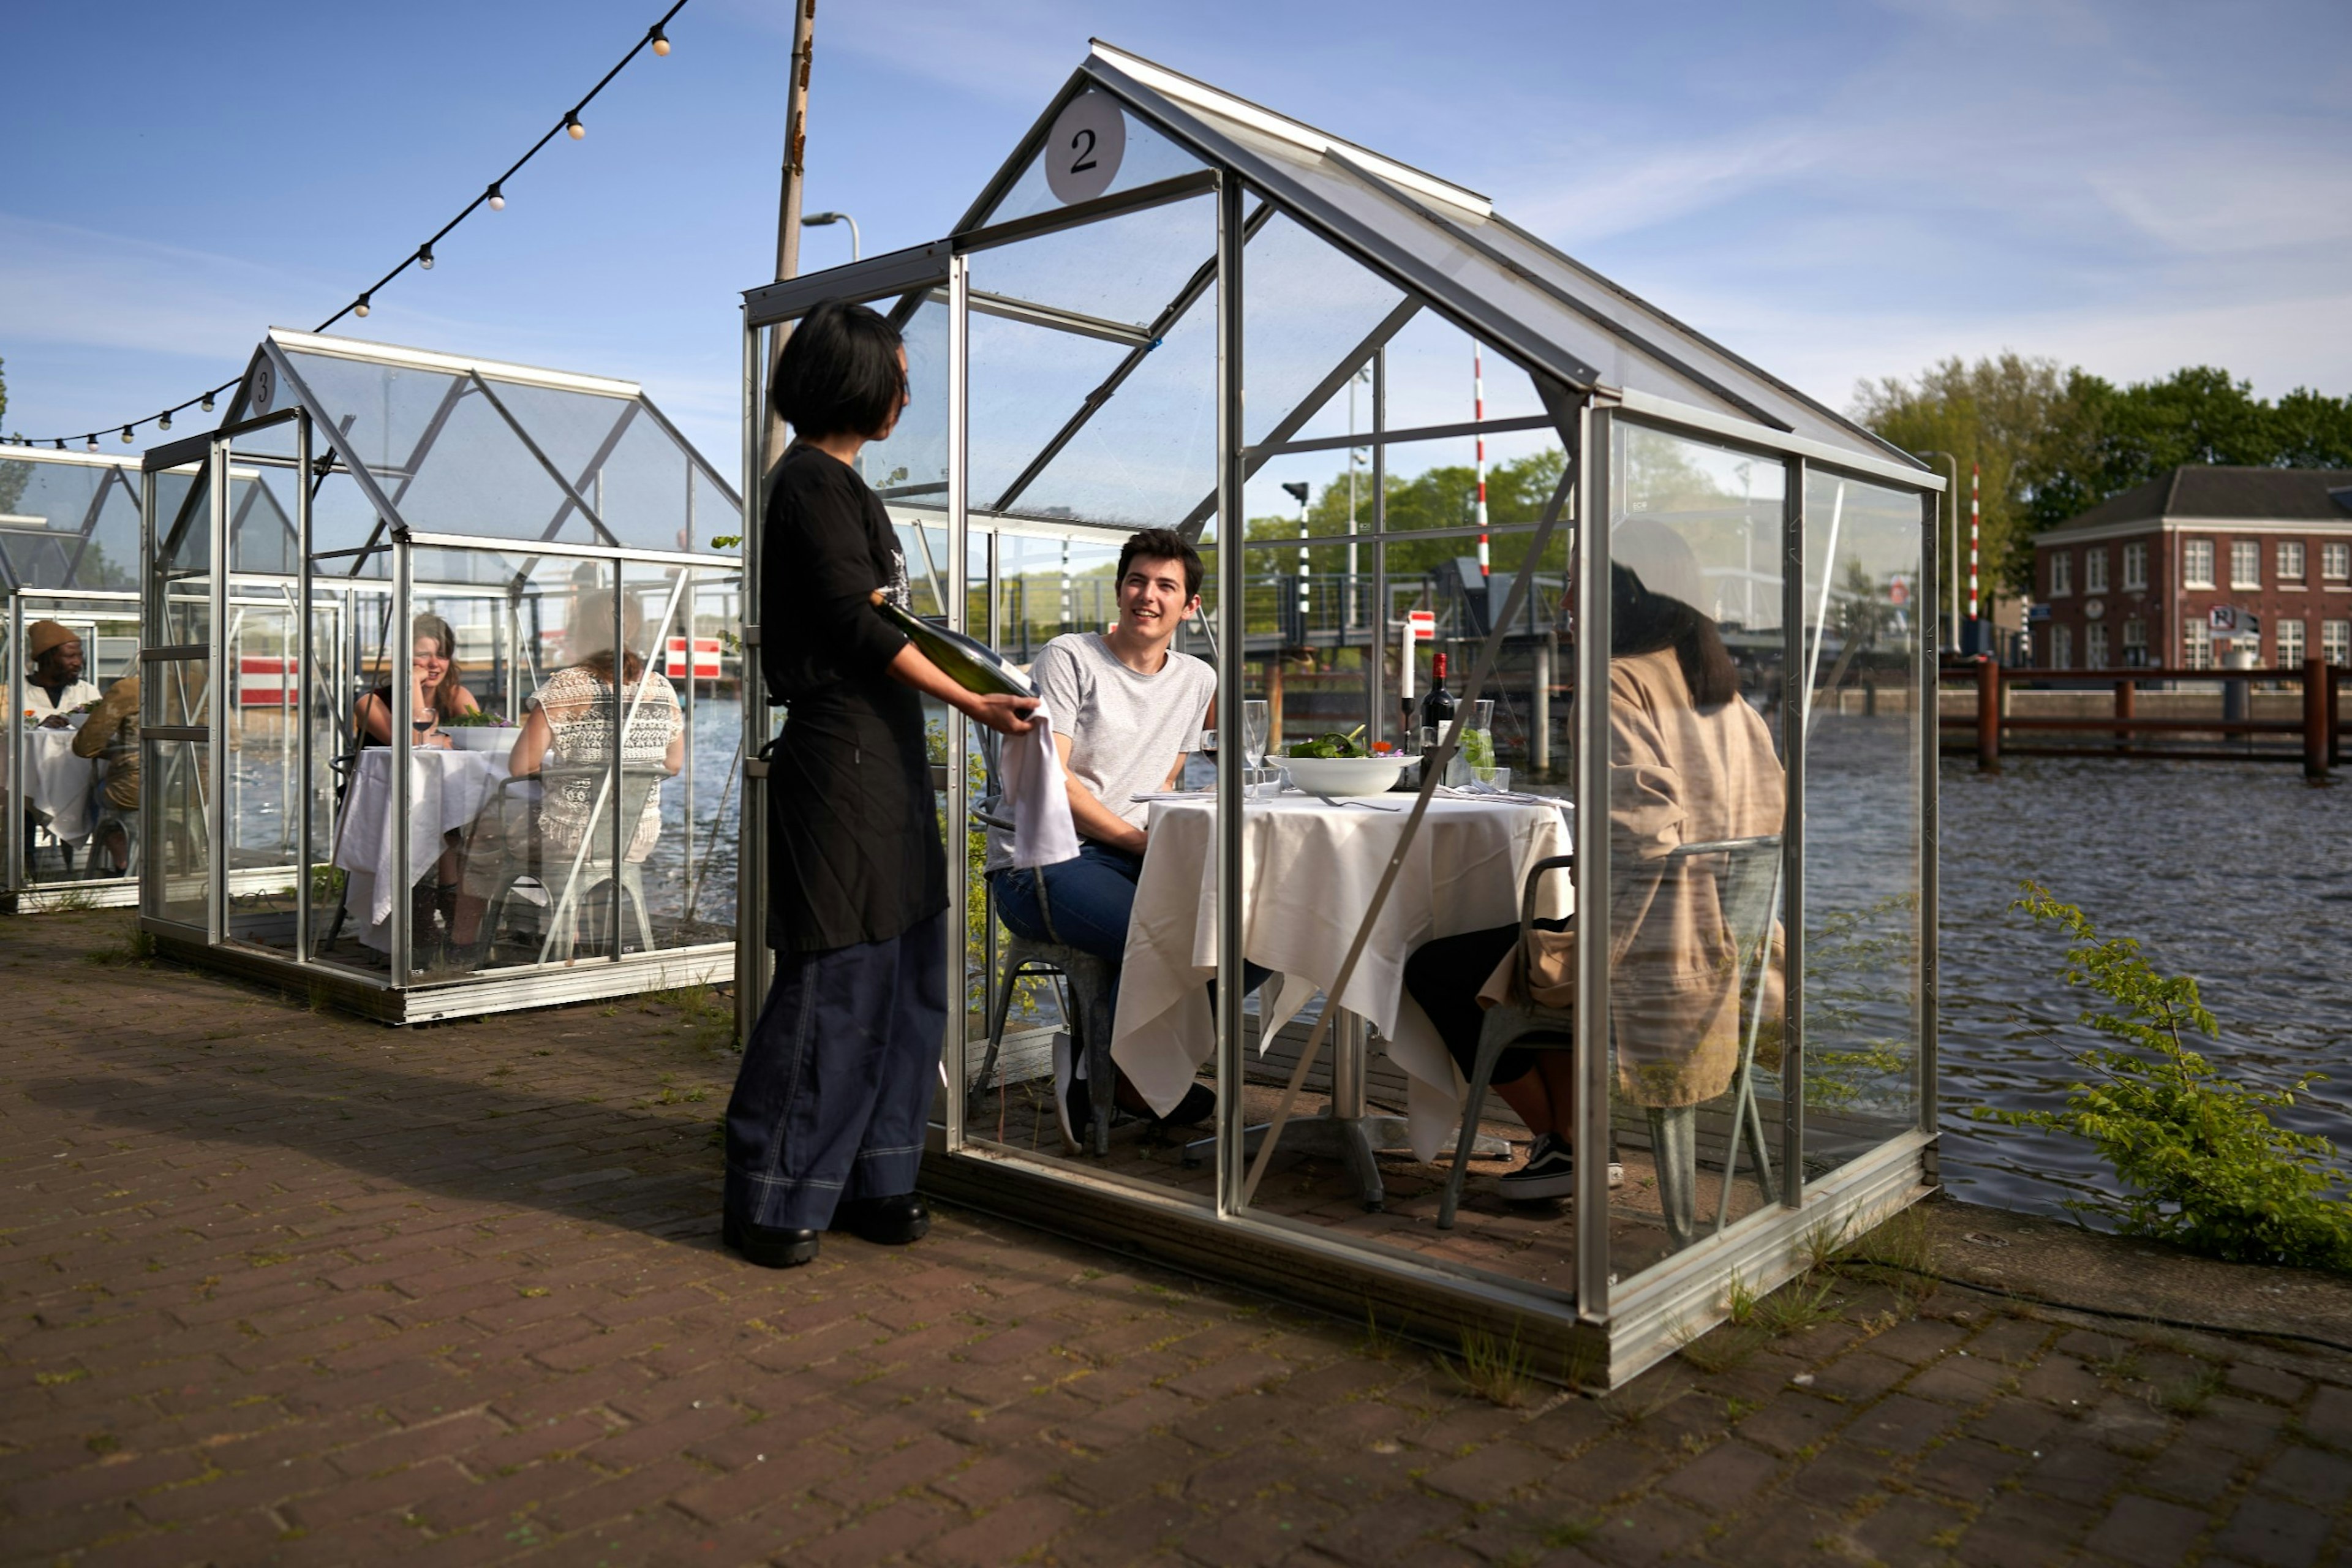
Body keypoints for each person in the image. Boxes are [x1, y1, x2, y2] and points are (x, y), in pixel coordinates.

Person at [724, 299, 1038, 1270]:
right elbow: (862, 631)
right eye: (898, 375)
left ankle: (879, 1171)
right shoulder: (809, 486)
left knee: (907, 970)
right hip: (841, 754)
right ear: (856, 382)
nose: (907, 392)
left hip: (886, 754)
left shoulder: (847, 489)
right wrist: (975, 701)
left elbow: (885, 621)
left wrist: (964, 686)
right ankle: (774, 1189)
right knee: (839, 974)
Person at [1404, 533, 1784, 1201]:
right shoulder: (1726, 696)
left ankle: (1564, 1140)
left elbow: (1642, 834)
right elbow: (1766, 823)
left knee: (1436, 967)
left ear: (1628, 596)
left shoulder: (1615, 684)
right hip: (1737, 945)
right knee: (1528, 941)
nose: (1568, 601)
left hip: (1657, 951)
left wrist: (1589, 885)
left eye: (1579, 584)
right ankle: (1571, 1144)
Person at [982, 527, 1250, 1148]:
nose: (1147, 596)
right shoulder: (1070, 657)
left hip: (1131, 855)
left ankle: (1122, 1069)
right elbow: (1053, 782)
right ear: (1119, 588)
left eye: (1165, 586)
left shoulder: (1197, 679)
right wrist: (1135, 841)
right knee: (1172, 934)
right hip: (1043, 861)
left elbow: (1163, 778)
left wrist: (1158, 842)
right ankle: (1111, 1072)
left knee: (1253, 931)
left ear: (1190, 607)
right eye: (1137, 580)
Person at [449, 592, 684, 965]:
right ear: (636, 630)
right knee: (515, 822)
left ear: (581, 632)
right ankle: (559, 929)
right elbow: (673, 764)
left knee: (481, 829)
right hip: (634, 836)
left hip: (569, 839)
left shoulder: (570, 685)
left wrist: (567, 774)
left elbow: (521, 766)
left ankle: (462, 945)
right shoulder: (661, 688)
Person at [20, 620, 103, 873]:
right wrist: (35, 722)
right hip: (29, 776)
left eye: (80, 655)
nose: (77, 662)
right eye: (70, 656)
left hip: (79, 777)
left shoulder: (86, 692)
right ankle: (25, 866)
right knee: (23, 801)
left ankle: (78, 869)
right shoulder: (16, 691)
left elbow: (102, 724)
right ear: (46, 659)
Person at [355, 613, 479, 750]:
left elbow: (478, 742)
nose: (434, 663)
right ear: (403, 658)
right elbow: (415, 747)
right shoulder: (371, 704)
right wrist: (413, 682)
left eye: (442, 655)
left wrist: (436, 742)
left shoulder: (457, 696)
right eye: (423, 655)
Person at [70, 674, 140, 876]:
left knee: (93, 794)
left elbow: (85, 747)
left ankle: (122, 863)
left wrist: (122, 751)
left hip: (133, 791)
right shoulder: (203, 686)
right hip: (188, 791)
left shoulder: (130, 688)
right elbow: (232, 742)